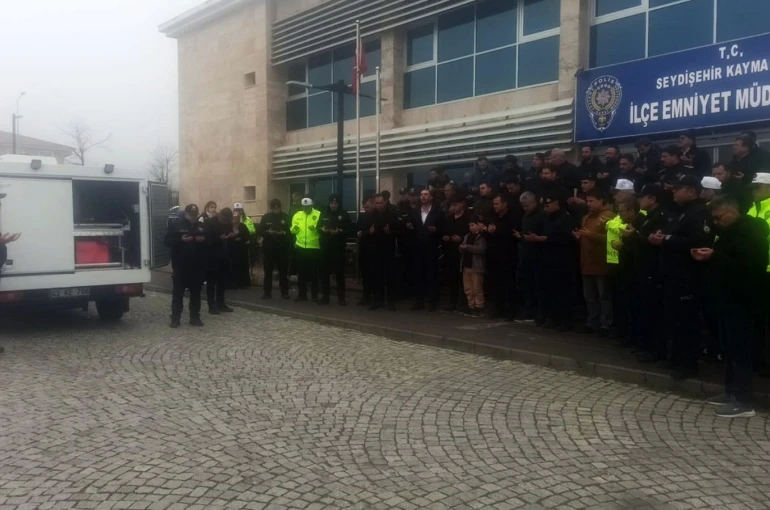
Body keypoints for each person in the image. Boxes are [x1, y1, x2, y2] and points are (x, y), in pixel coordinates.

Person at [694, 195, 769, 418]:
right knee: (729, 346)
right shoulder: (728, 232)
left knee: (741, 349)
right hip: (726, 298)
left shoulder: (751, 232)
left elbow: (749, 265)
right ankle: (730, 390)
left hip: (744, 299)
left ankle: (744, 400)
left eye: (718, 218)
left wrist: (715, 256)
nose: (716, 223)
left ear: (732, 212)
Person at [649, 174, 714, 380]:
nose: (674, 192)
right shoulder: (679, 212)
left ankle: (688, 362)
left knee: (687, 319)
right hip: (671, 274)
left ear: (691, 191)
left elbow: (699, 239)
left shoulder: (700, 212)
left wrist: (667, 239)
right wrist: (660, 236)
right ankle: (676, 356)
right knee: (674, 318)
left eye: (679, 189)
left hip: (687, 275)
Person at [634, 185, 670, 363]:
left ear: (653, 199)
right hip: (644, 267)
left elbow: (651, 240)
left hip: (654, 269)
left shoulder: (661, 217)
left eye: (643, 197)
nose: (640, 200)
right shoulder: (649, 217)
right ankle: (647, 346)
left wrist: (635, 235)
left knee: (654, 310)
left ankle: (657, 350)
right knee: (645, 309)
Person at [573, 190, 614, 336]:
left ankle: (606, 324)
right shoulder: (586, 217)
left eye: (592, 201)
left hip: (602, 262)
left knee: (604, 296)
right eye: (588, 201)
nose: (588, 204)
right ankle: (592, 322)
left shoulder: (609, 216)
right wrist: (580, 237)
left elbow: (612, 239)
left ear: (601, 200)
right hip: (587, 262)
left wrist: (591, 235)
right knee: (589, 296)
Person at [534, 191, 575, 331]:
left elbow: (568, 239)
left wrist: (548, 239)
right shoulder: (547, 218)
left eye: (548, 206)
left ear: (556, 204)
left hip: (562, 260)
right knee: (549, 291)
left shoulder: (566, 218)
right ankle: (552, 318)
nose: (545, 209)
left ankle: (565, 321)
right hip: (548, 259)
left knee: (562, 292)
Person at [165, 204, 207, 328]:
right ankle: (175, 318)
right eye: (191, 215)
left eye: (195, 215)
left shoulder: (201, 226)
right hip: (181, 265)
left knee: (196, 293)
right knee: (178, 293)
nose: (193, 217)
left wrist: (203, 240)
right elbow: (167, 241)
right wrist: (180, 240)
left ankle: (195, 317)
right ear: (186, 214)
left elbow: (210, 241)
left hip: (197, 265)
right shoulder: (177, 226)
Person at [747, 172, 770, 376]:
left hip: (768, 270)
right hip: (754, 270)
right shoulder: (753, 208)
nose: (754, 190)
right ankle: (757, 360)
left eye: (759, 187)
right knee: (756, 318)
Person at [408, 189, 445, 311]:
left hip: (431, 246)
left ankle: (432, 301)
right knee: (418, 273)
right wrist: (409, 227)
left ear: (431, 197)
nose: (423, 197)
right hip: (418, 247)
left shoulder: (438, 212)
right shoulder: (415, 212)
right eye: (421, 194)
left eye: (426, 194)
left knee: (431, 274)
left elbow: (443, 229)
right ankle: (419, 301)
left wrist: (436, 230)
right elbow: (412, 227)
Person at [486, 194, 518, 320]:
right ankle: (497, 309)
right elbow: (489, 235)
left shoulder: (512, 217)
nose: (495, 206)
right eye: (494, 204)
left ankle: (510, 311)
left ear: (505, 204)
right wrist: (487, 231)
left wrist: (497, 232)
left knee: (508, 285)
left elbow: (513, 236)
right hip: (494, 256)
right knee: (495, 284)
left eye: (497, 204)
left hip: (508, 256)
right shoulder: (493, 217)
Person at [516, 192, 546, 325]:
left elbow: (545, 235)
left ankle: (540, 313)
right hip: (526, 253)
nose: (525, 208)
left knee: (538, 286)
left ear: (534, 203)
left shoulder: (542, 216)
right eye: (523, 206)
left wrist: (535, 238)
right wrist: (522, 236)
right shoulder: (525, 216)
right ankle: (528, 311)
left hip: (538, 255)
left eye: (527, 205)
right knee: (526, 285)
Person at [366, 194, 400, 311]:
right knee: (376, 276)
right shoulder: (371, 215)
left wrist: (390, 232)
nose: (379, 205)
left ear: (385, 202)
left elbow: (399, 231)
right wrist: (369, 232)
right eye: (377, 203)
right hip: (375, 250)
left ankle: (391, 301)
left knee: (390, 276)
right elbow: (364, 231)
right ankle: (377, 300)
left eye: (381, 203)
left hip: (388, 249)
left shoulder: (392, 215)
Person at [616, 198, 642, 350]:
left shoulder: (639, 224)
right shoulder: (628, 225)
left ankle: (636, 339)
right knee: (627, 306)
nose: (619, 215)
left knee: (635, 307)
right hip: (625, 269)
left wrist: (630, 239)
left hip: (636, 272)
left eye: (621, 212)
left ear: (632, 211)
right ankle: (628, 336)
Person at [319, 194, 351, 306]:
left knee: (339, 275)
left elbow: (349, 230)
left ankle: (341, 298)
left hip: (338, 248)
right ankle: (325, 297)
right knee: (324, 274)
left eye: (335, 203)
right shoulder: (323, 213)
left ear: (338, 204)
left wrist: (340, 231)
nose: (333, 205)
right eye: (332, 203)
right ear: (329, 203)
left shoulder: (344, 214)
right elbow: (318, 227)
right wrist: (322, 229)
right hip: (325, 249)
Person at [204, 208, 236, 314]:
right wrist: (219, 238)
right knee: (212, 282)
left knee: (222, 281)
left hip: (225, 256)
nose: (226, 222)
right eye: (224, 220)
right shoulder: (210, 222)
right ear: (220, 216)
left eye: (228, 220)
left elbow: (231, 234)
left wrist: (232, 236)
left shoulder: (228, 223)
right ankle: (211, 305)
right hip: (212, 257)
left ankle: (221, 303)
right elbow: (206, 240)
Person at [290, 197, 322, 303]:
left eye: (308, 207)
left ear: (312, 206)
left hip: (313, 248)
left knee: (313, 274)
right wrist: (294, 229)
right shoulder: (297, 215)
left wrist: (316, 229)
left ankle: (314, 295)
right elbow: (292, 229)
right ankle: (302, 295)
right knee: (301, 273)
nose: (306, 208)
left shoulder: (318, 214)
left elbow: (322, 228)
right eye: (304, 207)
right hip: (300, 247)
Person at [259, 199, 291, 299]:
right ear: (271, 208)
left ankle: (284, 292)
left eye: (278, 207)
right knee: (268, 272)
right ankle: (267, 292)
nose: (276, 209)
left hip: (282, 249)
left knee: (283, 272)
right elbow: (259, 231)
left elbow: (291, 231)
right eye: (274, 207)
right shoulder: (266, 217)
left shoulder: (285, 217)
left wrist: (283, 233)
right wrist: (268, 232)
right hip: (269, 249)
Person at [442, 197, 469, 312]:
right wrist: (445, 237)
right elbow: (443, 231)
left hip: (463, 252)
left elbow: (472, 234)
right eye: (451, 205)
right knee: (452, 278)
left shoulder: (467, 218)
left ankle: (464, 303)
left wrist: (461, 239)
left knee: (464, 279)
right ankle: (452, 302)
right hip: (450, 251)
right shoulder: (448, 218)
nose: (453, 207)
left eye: (455, 205)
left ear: (461, 204)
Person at [459, 216, 487, 317]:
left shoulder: (481, 237)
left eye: (473, 225)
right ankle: (471, 305)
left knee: (477, 288)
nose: (471, 227)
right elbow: (462, 247)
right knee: (468, 288)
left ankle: (479, 306)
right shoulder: (467, 236)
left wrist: (468, 247)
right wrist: (461, 247)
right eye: (469, 226)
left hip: (476, 266)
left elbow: (481, 250)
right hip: (466, 265)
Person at [356, 196, 375, 306]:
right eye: (364, 207)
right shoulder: (362, 216)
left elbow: (375, 231)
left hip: (374, 249)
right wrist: (363, 233)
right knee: (365, 274)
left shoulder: (376, 216)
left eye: (367, 206)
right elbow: (357, 229)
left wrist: (364, 233)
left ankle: (374, 297)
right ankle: (366, 296)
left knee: (374, 274)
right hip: (363, 249)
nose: (365, 209)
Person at [229, 209, 252, 288]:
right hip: (232, 249)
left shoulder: (243, 226)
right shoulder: (229, 226)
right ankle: (234, 282)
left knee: (242, 265)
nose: (235, 220)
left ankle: (243, 282)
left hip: (241, 249)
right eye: (234, 218)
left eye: (237, 218)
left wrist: (240, 238)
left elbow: (247, 236)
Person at [234, 203, 258, 277]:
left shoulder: (247, 219)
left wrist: (243, 230)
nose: (238, 211)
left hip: (244, 241)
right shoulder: (231, 219)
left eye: (239, 210)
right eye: (236, 210)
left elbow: (252, 230)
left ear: (242, 210)